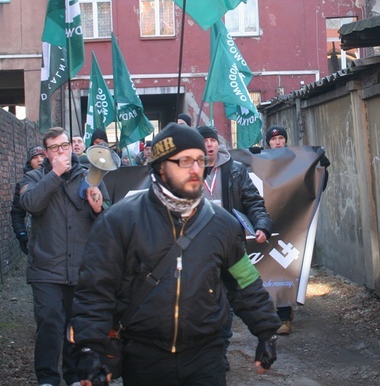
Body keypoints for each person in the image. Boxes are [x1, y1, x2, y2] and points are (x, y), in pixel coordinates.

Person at [70, 123, 280, 386]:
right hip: (144, 358)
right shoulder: (119, 221)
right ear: (159, 166)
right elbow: (95, 290)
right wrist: (90, 348)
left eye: (200, 160)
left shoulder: (222, 224)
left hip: (207, 357)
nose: (196, 169)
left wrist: (266, 331)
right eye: (184, 161)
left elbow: (244, 282)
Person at [19, 127, 109, 386]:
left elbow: (107, 217)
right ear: (46, 153)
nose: (61, 151)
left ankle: (72, 377)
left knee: (75, 328)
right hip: (46, 267)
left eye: (64, 145)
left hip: (81, 267)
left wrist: (99, 208)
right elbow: (31, 204)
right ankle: (48, 378)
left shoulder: (90, 176)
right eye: (55, 148)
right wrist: (56, 174)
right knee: (49, 323)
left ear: (71, 146)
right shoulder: (34, 177)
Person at [197, 124, 274, 370]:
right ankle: (203, 352)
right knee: (202, 302)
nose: (209, 144)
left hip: (230, 248)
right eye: (204, 140)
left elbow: (254, 202)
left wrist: (261, 224)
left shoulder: (236, 170)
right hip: (196, 251)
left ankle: (219, 352)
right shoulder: (188, 171)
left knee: (228, 302)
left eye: (213, 139)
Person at [262, 125, 330, 335]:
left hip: (290, 225)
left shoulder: (296, 163)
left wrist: (322, 169)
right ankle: (270, 314)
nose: (277, 142)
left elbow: (314, 187)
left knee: (284, 269)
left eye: (281, 138)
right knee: (266, 270)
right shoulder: (261, 163)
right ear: (268, 143)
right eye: (273, 140)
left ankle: (284, 317)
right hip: (265, 225)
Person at [10, 146, 45, 255]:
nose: (39, 159)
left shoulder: (59, 177)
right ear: (30, 162)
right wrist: (21, 234)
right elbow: (17, 213)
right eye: (35, 157)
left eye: (42, 156)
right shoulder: (23, 184)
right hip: (35, 238)